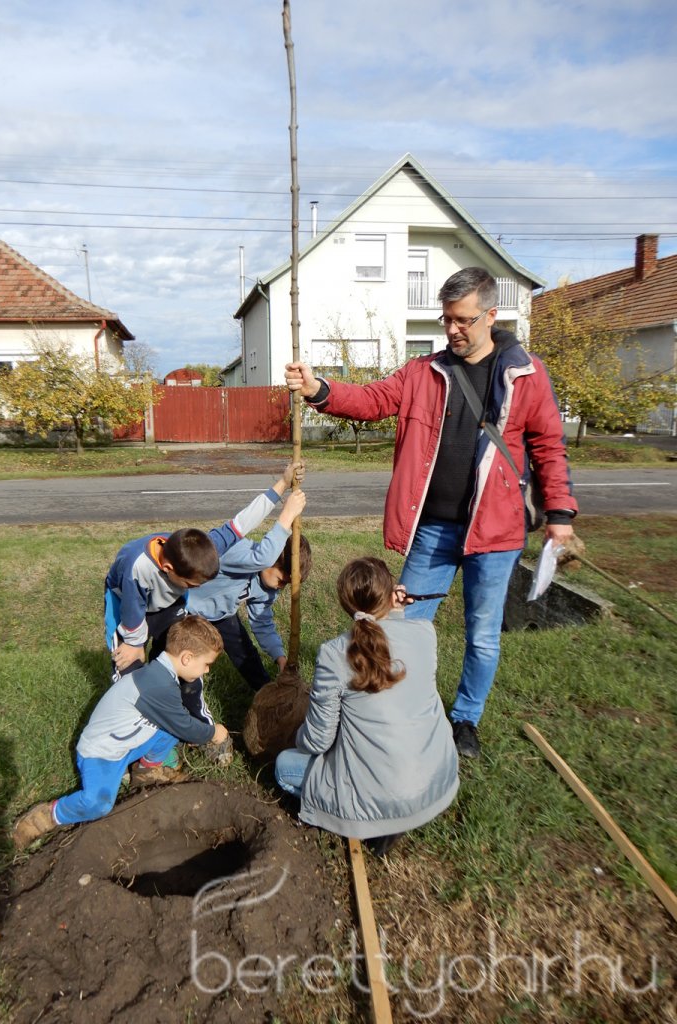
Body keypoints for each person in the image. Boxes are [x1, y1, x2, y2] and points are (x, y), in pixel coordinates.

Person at [285, 267, 577, 759]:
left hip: (496, 532)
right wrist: (320, 389)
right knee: (401, 624)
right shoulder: (424, 372)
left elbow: (549, 445)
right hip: (434, 531)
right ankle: (395, 706)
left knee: (482, 635)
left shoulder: (526, 373)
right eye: (447, 319)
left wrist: (560, 513)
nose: (453, 330)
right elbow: (374, 399)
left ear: (491, 315)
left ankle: (465, 720)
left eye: (463, 320)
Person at [275, 557, 459, 856]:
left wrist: (295, 735)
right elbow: (393, 650)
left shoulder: (334, 654)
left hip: (381, 795)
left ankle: (363, 823)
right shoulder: (425, 631)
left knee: (284, 766)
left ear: (345, 604)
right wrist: (396, 613)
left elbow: (318, 741)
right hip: (437, 781)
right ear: (392, 592)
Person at [13, 616, 227, 849]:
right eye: (207, 664)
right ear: (187, 658)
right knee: (99, 804)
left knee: (170, 728)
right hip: (101, 753)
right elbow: (187, 728)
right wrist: (213, 732)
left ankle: (147, 772)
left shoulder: (161, 675)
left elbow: (178, 723)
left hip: (126, 742)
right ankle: (48, 815)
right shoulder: (159, 686)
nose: (207, 670)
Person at [105, 461, 304, 678]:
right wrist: (134, 643)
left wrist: (283, 483)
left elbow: (242, 522)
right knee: (138, 661)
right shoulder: (139, 568)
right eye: (191, 585)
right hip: (140, 608)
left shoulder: (208, 551)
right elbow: (132, 605)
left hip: (187, 608)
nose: (195, 589)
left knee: (180, 662)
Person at [186, 488, 312, 691]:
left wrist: (279, 656)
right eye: (281, 579)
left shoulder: (267, 589)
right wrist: (288, 514)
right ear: (272, 559)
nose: (280, 587)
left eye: (286, 584)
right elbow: (262, 558)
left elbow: (262, 623)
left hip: (221, 614)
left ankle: (265, 693)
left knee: (245, 653)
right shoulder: (240, 551)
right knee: (186, 658)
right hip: (187, 608)